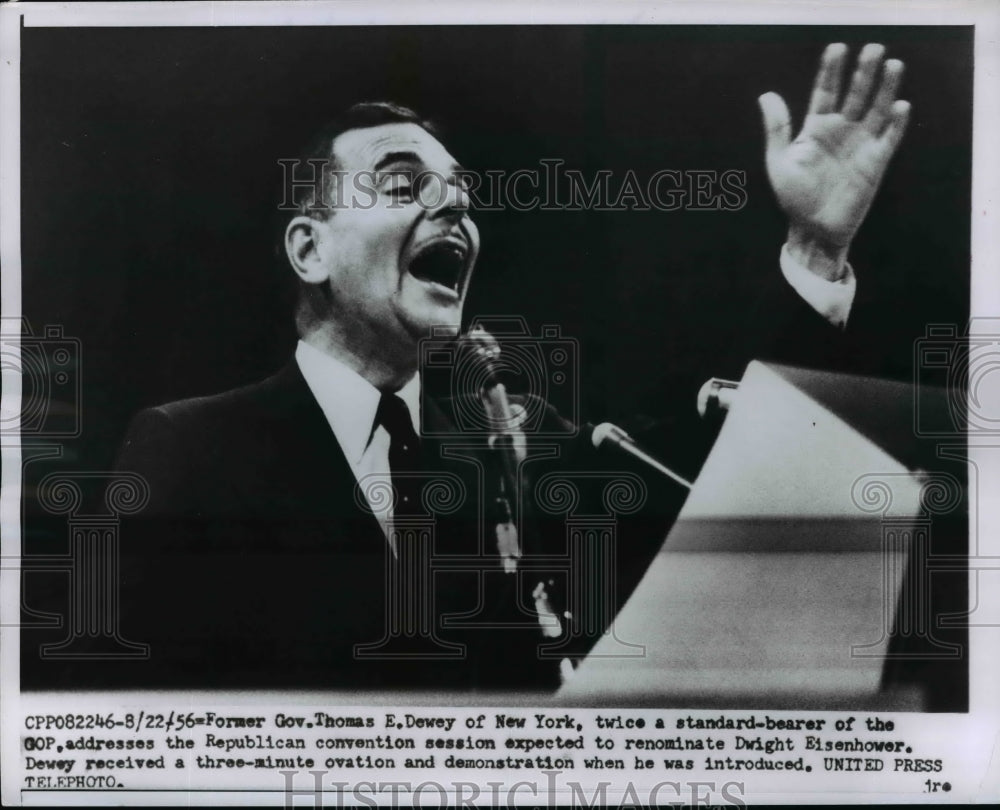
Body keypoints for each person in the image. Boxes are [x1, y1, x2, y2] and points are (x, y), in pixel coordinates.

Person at [110, 43, 910, 690]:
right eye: (403, 183)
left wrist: (816, 253)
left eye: (461, 190)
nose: (455, 204)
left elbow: (731, 493)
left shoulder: (517, 452)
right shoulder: (192, 452)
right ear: (309, 249)